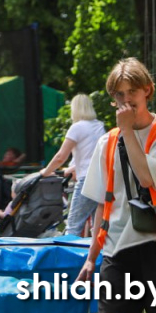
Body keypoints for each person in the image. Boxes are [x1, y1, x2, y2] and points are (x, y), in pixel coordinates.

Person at [77, 58, 156, 313]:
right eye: (119, 95)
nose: (126, 100)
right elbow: (104, 203)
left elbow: (147, 178)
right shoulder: (107, 141)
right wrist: (91, 259)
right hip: (117, 247)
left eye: (132, 92)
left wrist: (126, 130)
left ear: (147, 90)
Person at [38, 94, 105, 236]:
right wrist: (73, 168)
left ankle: (67, 257)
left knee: (73, 226)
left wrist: (46, 171)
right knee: (98, 228)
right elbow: (94, 156)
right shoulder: (99, 126)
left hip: (86, 181)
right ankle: (98, 256)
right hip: (102, 180)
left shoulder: (77, 127)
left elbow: (61, 156)